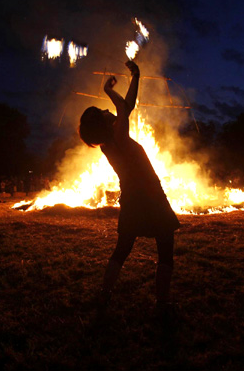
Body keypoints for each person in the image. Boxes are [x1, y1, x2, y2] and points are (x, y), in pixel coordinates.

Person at [78, 61, 180, 318]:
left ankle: (105, 294)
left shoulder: (109, 143)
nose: (108, 110)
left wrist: (136, 75)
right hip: (151, 197)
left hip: (133, 199)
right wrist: (109, 92)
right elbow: (123, 107)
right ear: (103, 122)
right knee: (165, 248)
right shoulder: (120, 138)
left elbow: (127, 107)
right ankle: (162, 303)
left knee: (122, 249)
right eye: (103, 110)